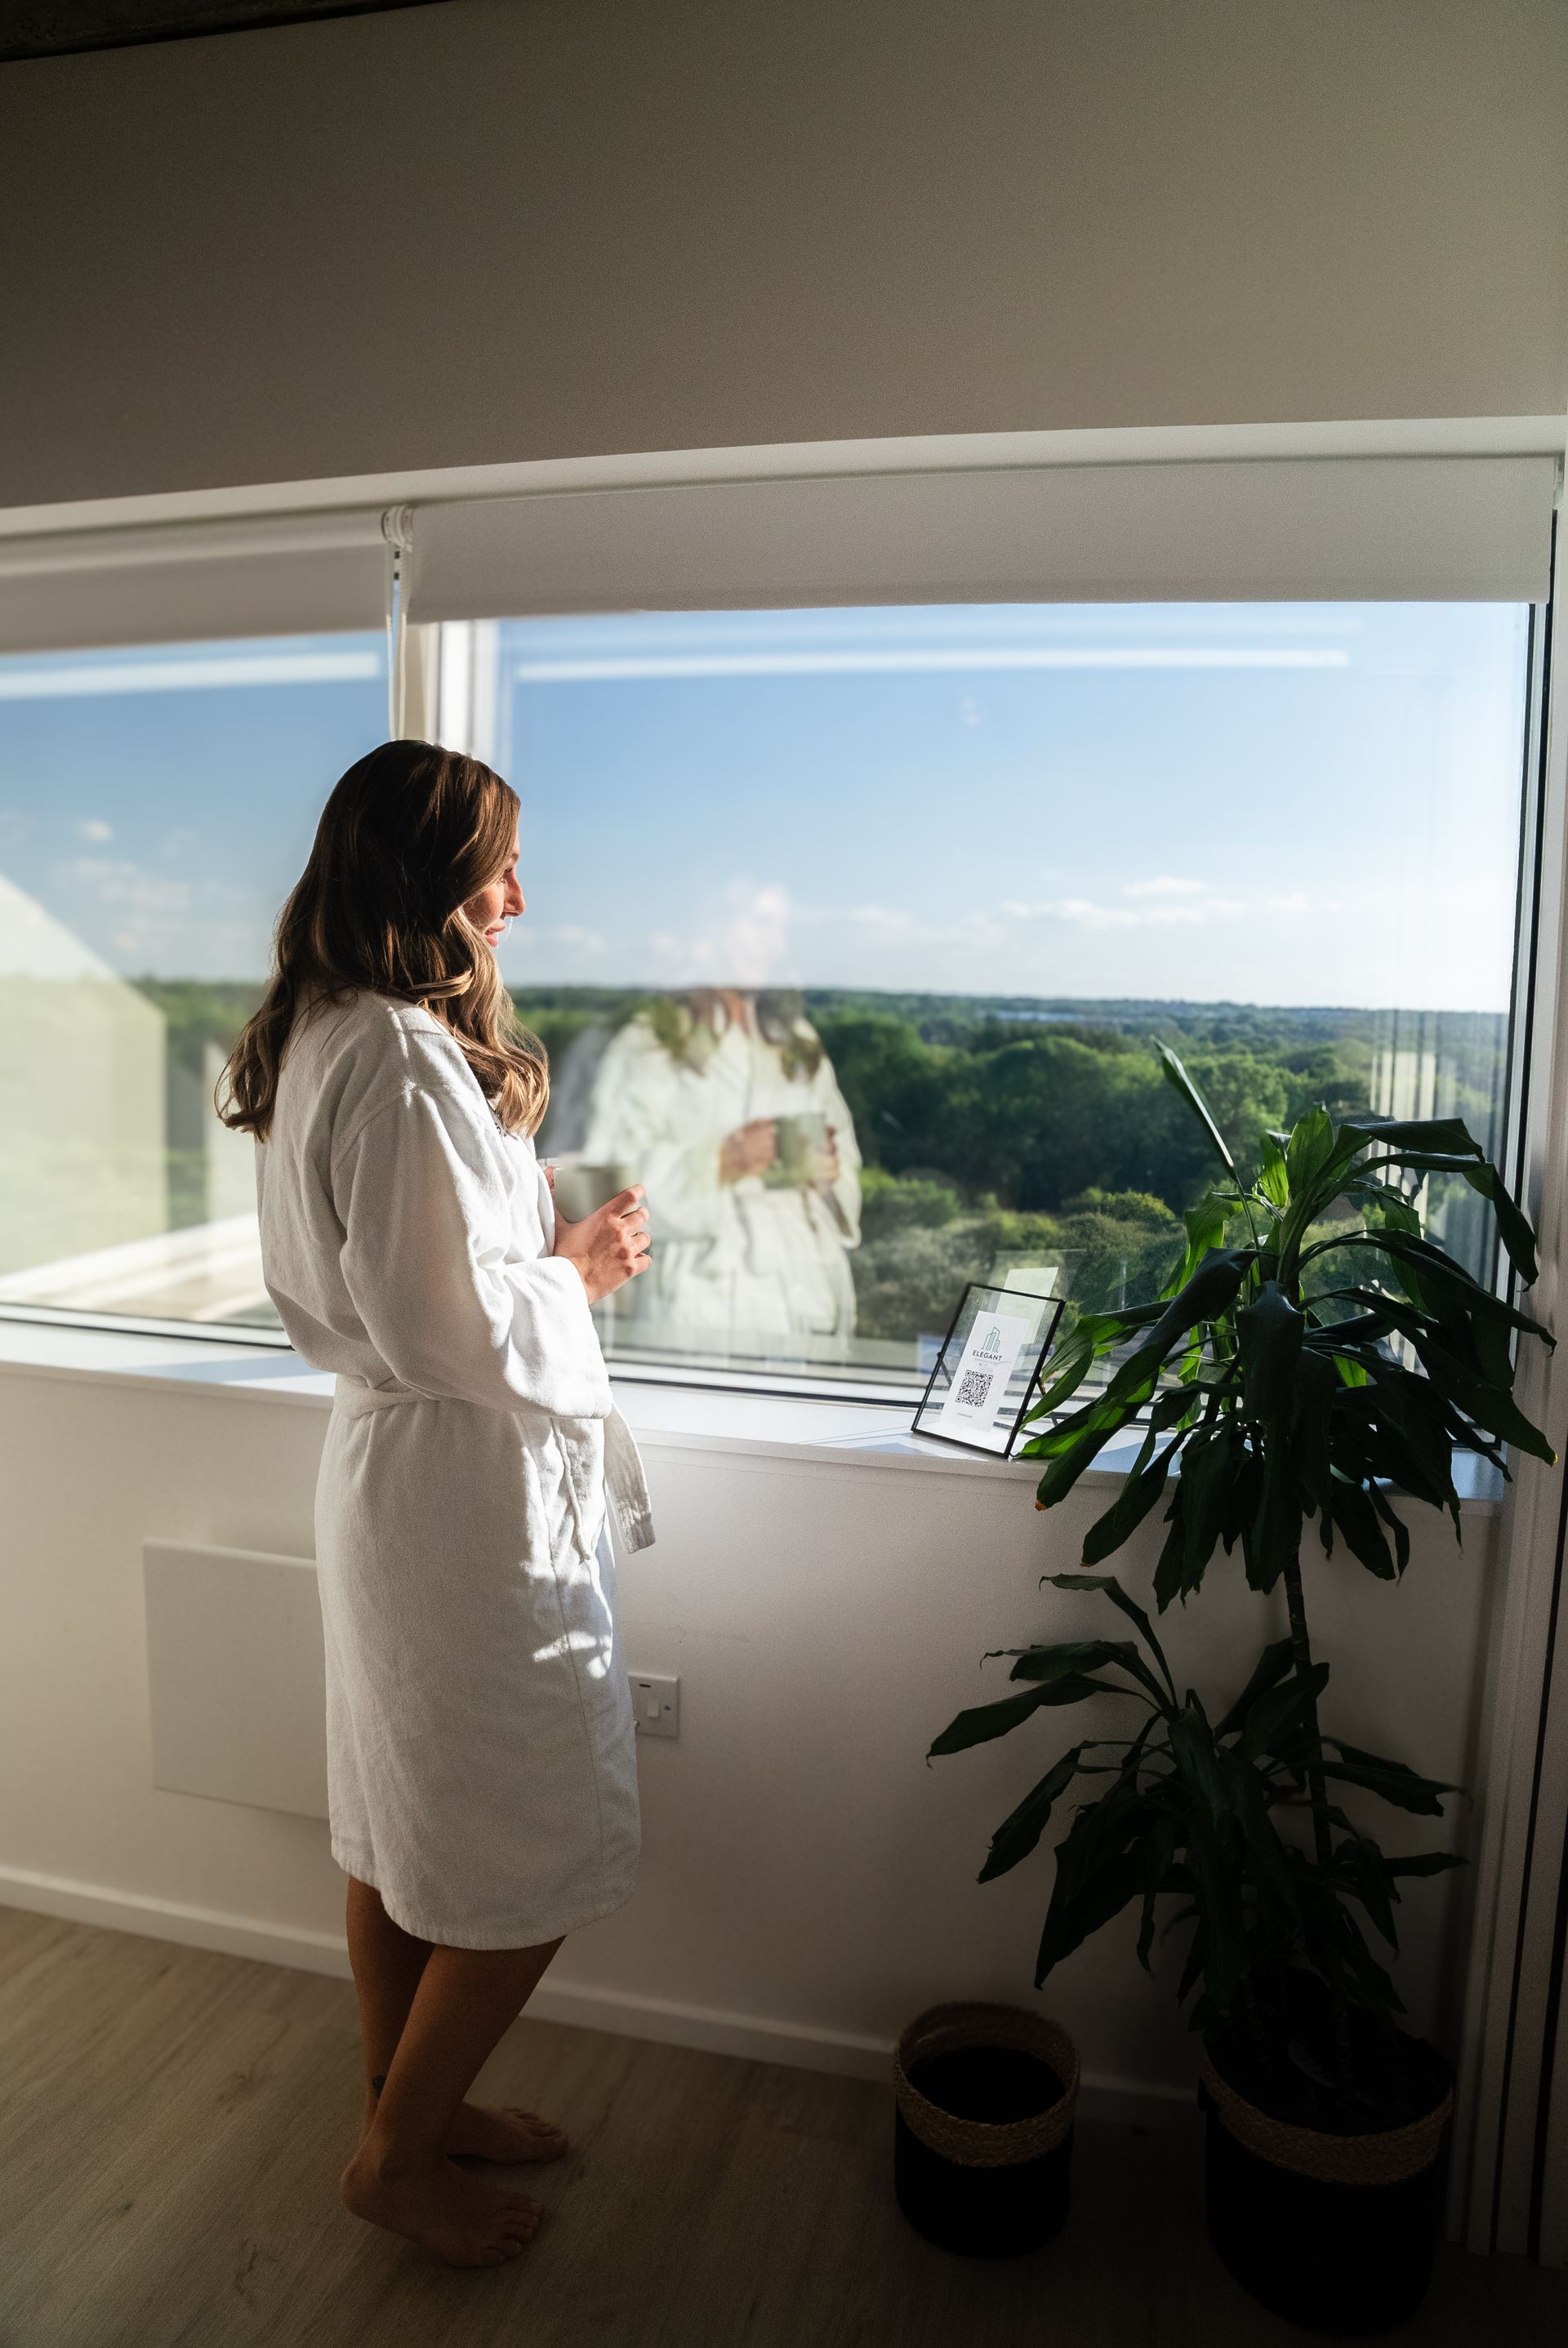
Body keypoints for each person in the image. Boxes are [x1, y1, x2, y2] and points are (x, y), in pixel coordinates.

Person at [221, 742, 653, 2268]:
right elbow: (436, 1320)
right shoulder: (396, 1057)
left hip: (401, 1483)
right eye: (498, 869)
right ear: (422, 874)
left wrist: (542, 1257)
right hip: (457, 1496)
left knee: (405, 1827)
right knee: (523, 1850)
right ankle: (399, 2156)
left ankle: (401, 2106)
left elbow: (409, 1289)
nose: (517, 901)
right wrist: (583, 1272)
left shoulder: (324, 1031)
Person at [576, 988, 862, 1352]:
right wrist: (723, 1162)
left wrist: (826, 1173)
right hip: (706, 1297)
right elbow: (607, 1181)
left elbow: (843, 1155)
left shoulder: (796, 1037)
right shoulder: (653, 1041)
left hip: (804, 1284)